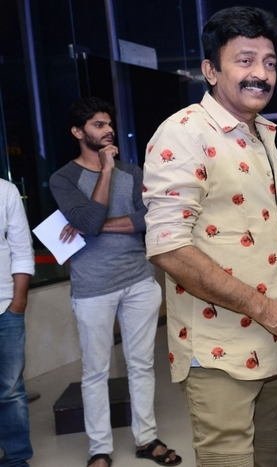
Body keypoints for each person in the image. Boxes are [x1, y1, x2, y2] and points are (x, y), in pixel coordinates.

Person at [141, 6, 277, 466]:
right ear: (210, 70)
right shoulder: (183, 134)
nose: (260, 73)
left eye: (269, 62)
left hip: (275, 346)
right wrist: (267, 310)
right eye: (245, 60)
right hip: (219, 353)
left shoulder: (262, 134)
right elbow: (169, 248)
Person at [49, 97, 181, 467]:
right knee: (96, 372)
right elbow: (89, 221)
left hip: (139, 280)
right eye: (98, 125)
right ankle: (99, 449)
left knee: (141, 365)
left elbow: (145, 219)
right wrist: (105, 171)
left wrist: (94, 225)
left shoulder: (133, 172)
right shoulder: (63, 178)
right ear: (78, 133)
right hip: (93, 286)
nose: (108, 130)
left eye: (109, 123)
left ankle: (146, 439)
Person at [0, 178, 34, 467]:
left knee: (10, 390)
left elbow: (22, 250)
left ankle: (16, 458)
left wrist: (18, 302)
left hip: (4, 306)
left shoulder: (5, 191)